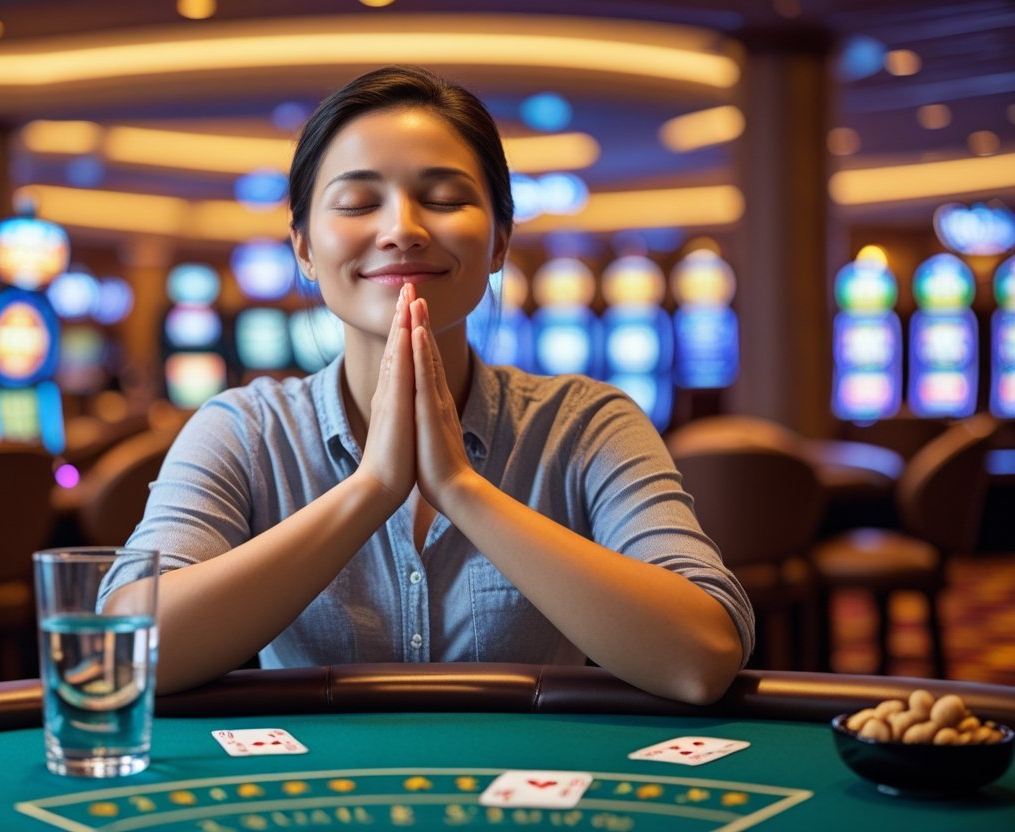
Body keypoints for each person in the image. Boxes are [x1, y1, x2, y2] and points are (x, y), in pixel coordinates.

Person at [106, 65, 754, 705]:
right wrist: (371, 489)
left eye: (444, 199)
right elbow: (121, 651)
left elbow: (702, 657)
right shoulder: (245, 429)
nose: (403, 230)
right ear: (303, 246)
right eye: (359, 202)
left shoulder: (585, 423)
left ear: (500, 240)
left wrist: (461, 490)